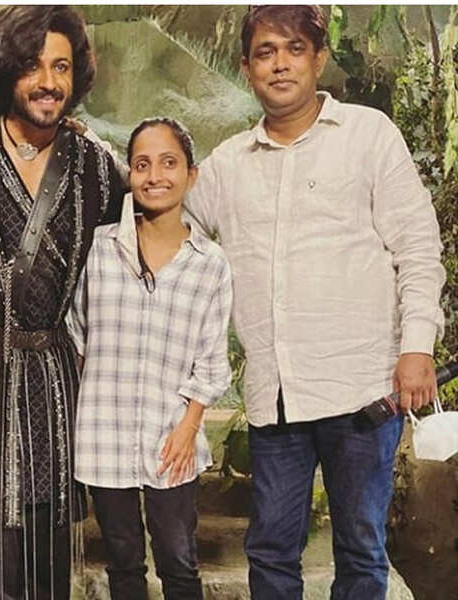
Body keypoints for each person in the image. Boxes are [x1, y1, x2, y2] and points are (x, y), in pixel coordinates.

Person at [186, 5, 446, 599]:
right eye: (265, 52)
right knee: (271, 551)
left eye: (294, 49)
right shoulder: (228, 164)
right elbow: (172, 225)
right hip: (276, 396)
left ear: (319, 58)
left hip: (362, 389)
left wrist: (417, 347)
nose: (280, 64)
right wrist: (105, 166)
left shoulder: (367, 135)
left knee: (359, 548)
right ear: (247, 67)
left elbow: (417, 245)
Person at [0, 6, 127, 599]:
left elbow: (160, 222)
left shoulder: (97, 168)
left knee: (50, 562)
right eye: (32, 65)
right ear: (5, 70)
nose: (48, 81)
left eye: (61, 67)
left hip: (53, 384)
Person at [67, 118, 232, 600]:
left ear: (191, 175)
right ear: (130, 175)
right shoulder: (98, 250)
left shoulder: (210, 264)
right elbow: (76, 335)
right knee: (123, 562)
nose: (155, 176)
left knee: (179, 562)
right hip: (103, 435)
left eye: (168, 163)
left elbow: (212, 359)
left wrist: (188, 428)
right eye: (142, 165)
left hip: (171, 436)